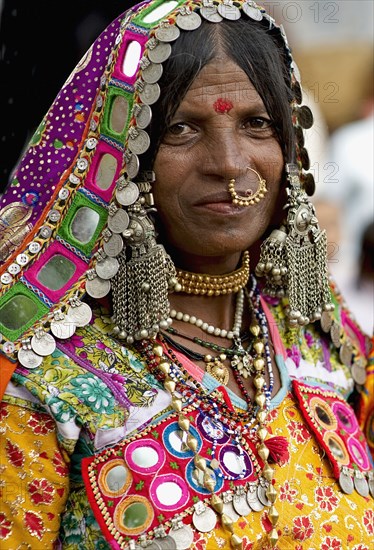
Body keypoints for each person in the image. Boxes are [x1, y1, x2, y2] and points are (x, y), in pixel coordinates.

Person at [0, 1, 373, 549]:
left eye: (256, 124)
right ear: (127, 158)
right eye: (182, 129)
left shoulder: (328, 346)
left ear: (289, 148)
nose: (227, 162)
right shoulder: (42, 377)